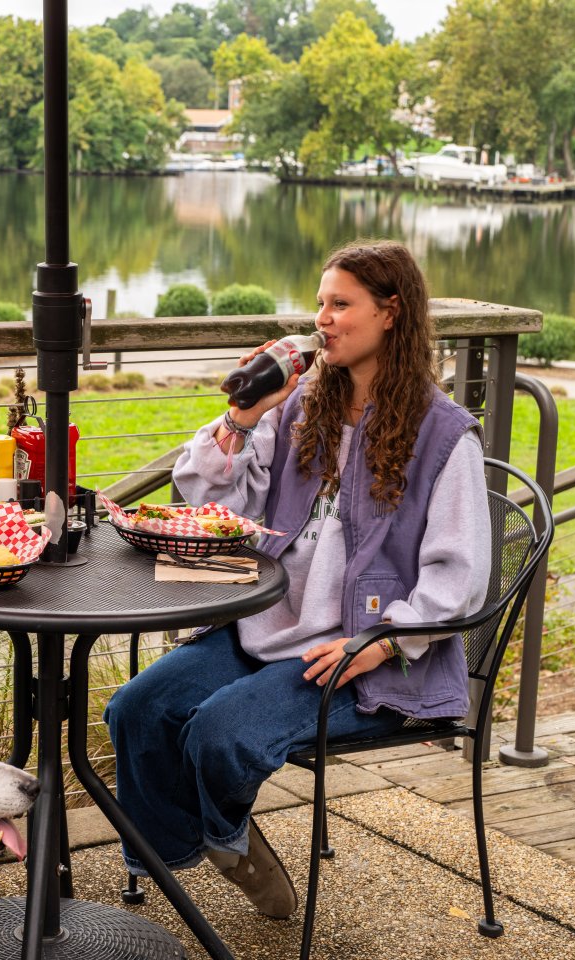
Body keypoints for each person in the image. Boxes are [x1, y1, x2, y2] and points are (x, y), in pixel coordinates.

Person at [105, 240, 491, 918]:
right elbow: (224, 511)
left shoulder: (444, 436)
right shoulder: (303, 404)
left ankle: (227, 845)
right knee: (135, 709)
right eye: (320, 304)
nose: (324, 319)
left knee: (220, 734)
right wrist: (244, 416)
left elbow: (457, 578)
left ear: (392, 314)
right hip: (267, 624)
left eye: (341, 304)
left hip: (363, 656)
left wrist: (377, 643)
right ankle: (181, 856)